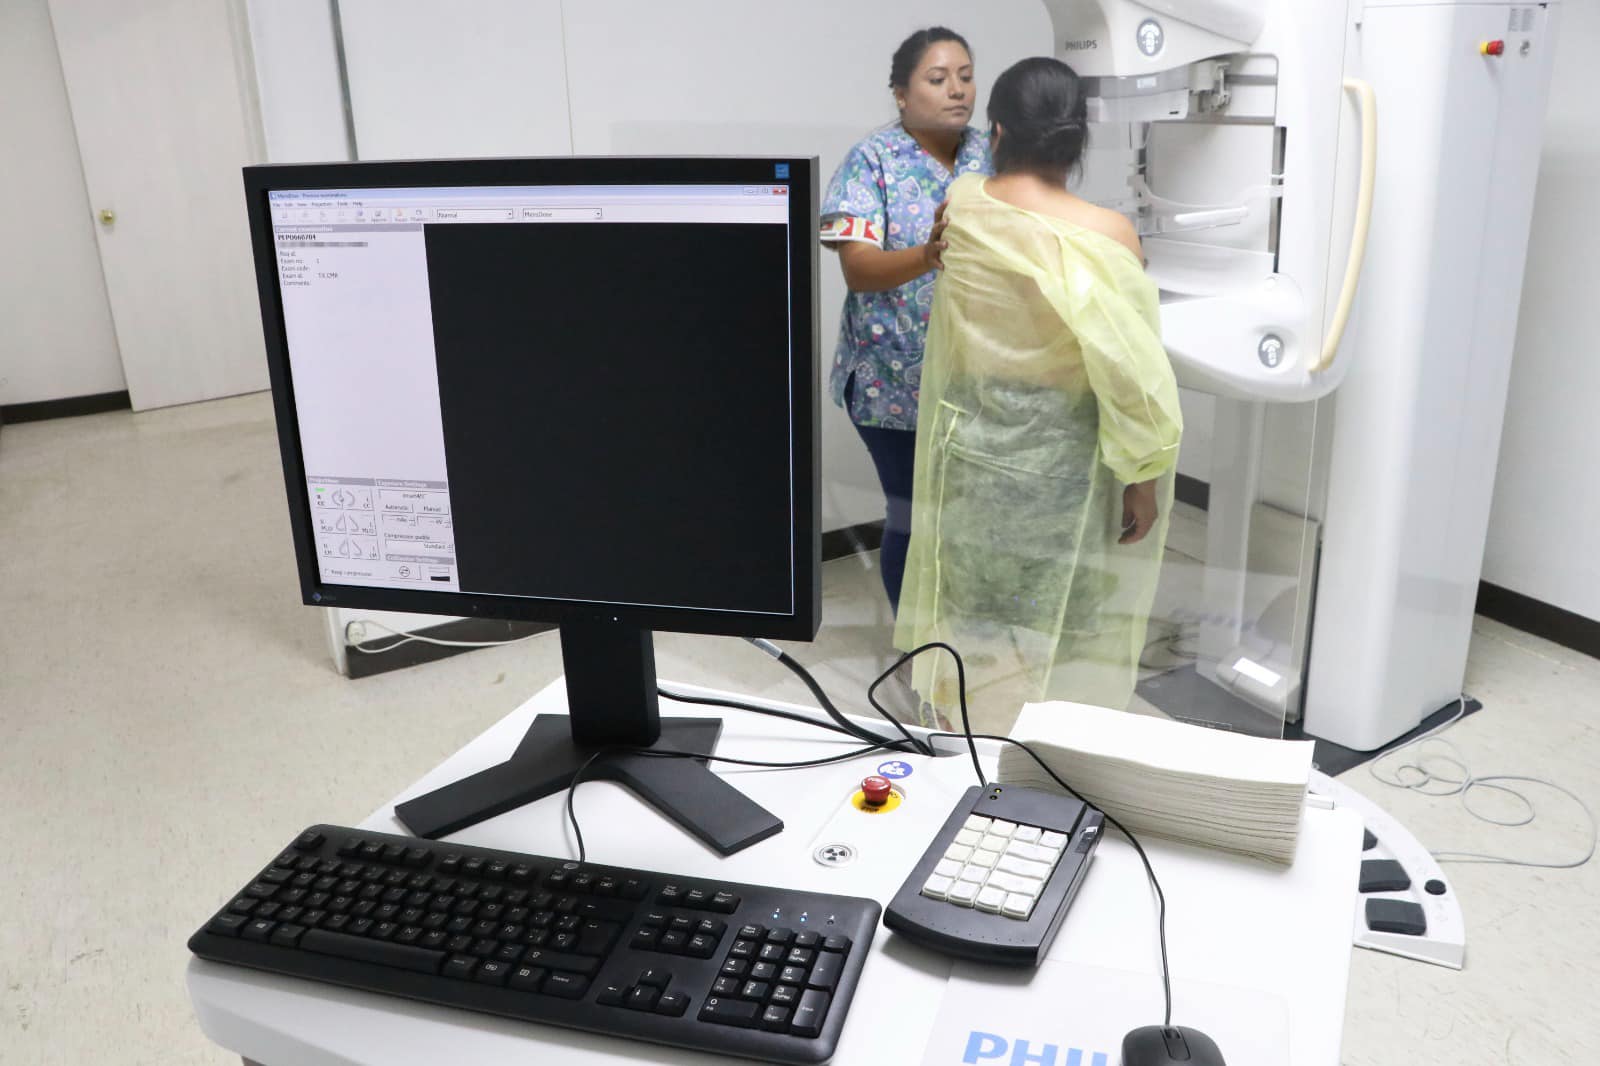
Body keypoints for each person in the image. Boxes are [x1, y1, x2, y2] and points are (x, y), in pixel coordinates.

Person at [895, 56, 1183, 718]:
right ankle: (1043, 741)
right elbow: (1130, 376)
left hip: (970, 448)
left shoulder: (963, 204)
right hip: (1063, 463)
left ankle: (965, 727)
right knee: (1064, 610)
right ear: (1075, 140)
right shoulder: (1108, 236)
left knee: (971, 607)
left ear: (997, 133)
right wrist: (1143, 476)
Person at [820, 26, 992, 614]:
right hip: (891, 384)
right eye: (938, 79)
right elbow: (859, 270)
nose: (957, 91)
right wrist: (927, 255)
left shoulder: (988, 154)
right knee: (913, 513)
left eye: (966, 77)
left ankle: (961, 640)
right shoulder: (873, 162)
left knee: (967, 519)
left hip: (973, 379)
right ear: (901, 93)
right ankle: (915, 652)